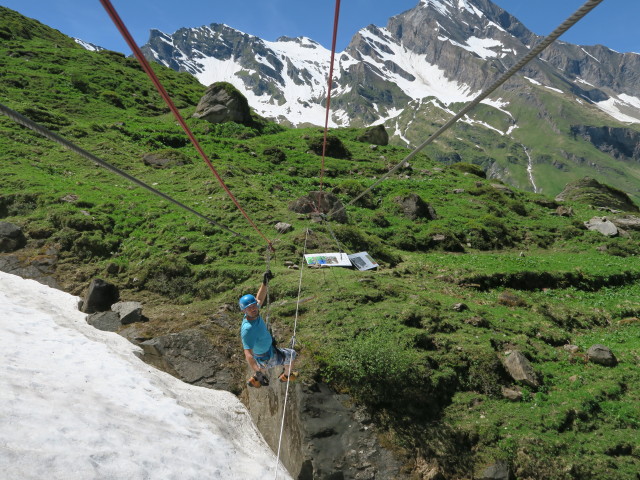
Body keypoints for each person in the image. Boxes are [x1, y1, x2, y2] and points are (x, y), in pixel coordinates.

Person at [239, 270, 297, 388]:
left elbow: (259, 298)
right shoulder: (248, 329)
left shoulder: (253, 312)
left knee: (265, 366)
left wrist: (264, 283)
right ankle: (286, 375)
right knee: (291, 355)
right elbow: (248, 354)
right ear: (244, 311)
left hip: (267, 349)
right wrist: (258, 371)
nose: (254, 308)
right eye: (249, 308)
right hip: (265, 356)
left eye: (254, 306)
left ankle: (256, 379)